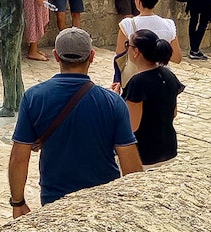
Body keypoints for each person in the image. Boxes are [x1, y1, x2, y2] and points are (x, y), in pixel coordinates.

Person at [8, 28, 142, 215]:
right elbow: (130, 164)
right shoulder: (113, 102)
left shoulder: (34, 97)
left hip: (55, 198)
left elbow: (19, 157)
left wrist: (18, 202)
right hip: (103, 199)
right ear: (92, 56)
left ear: (56, 56)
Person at [121, 29, 185, 168]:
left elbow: (132, 125)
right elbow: (173, 112)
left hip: (145, 154)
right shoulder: (168, 75)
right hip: (168, 148)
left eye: (128, 45)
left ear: (136, 51)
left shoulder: (137, 83)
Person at [111, 0, 181, 94]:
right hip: (163, 77)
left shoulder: (128, 24)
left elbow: (120, 53)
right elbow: (177, 57)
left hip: (136, 76)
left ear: (137, 1)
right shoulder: (169, 25)